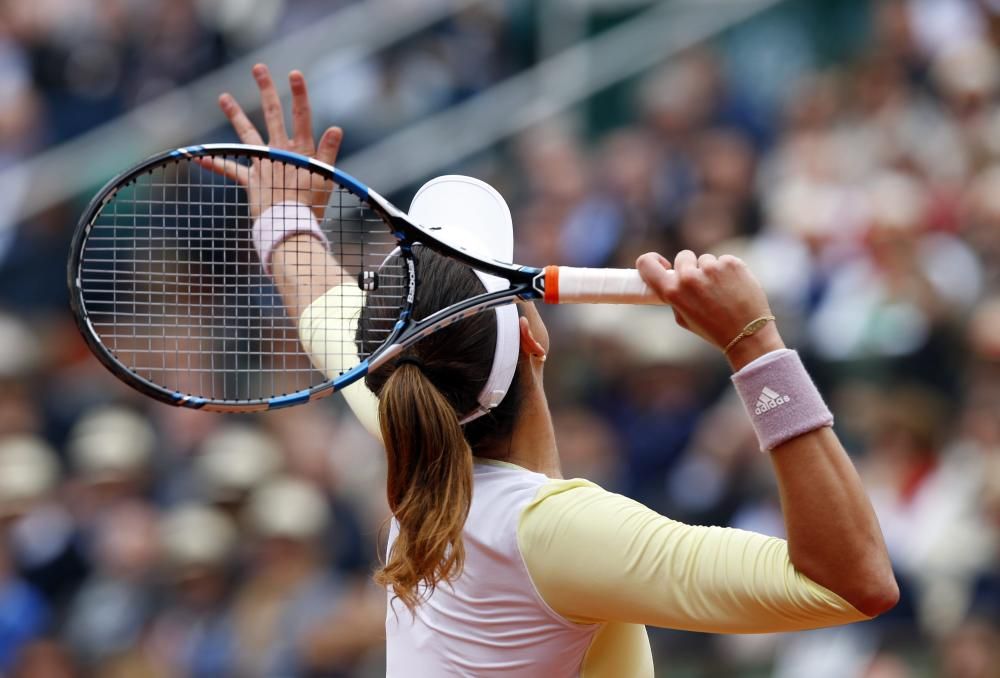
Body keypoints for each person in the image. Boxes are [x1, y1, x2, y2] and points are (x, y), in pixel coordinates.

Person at [214, 64, 898, 677]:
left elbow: (330, 315)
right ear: (534, 334)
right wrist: (756, 348)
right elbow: (851, 582)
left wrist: (285, 228)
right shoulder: (551, 533)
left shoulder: (410, 433)